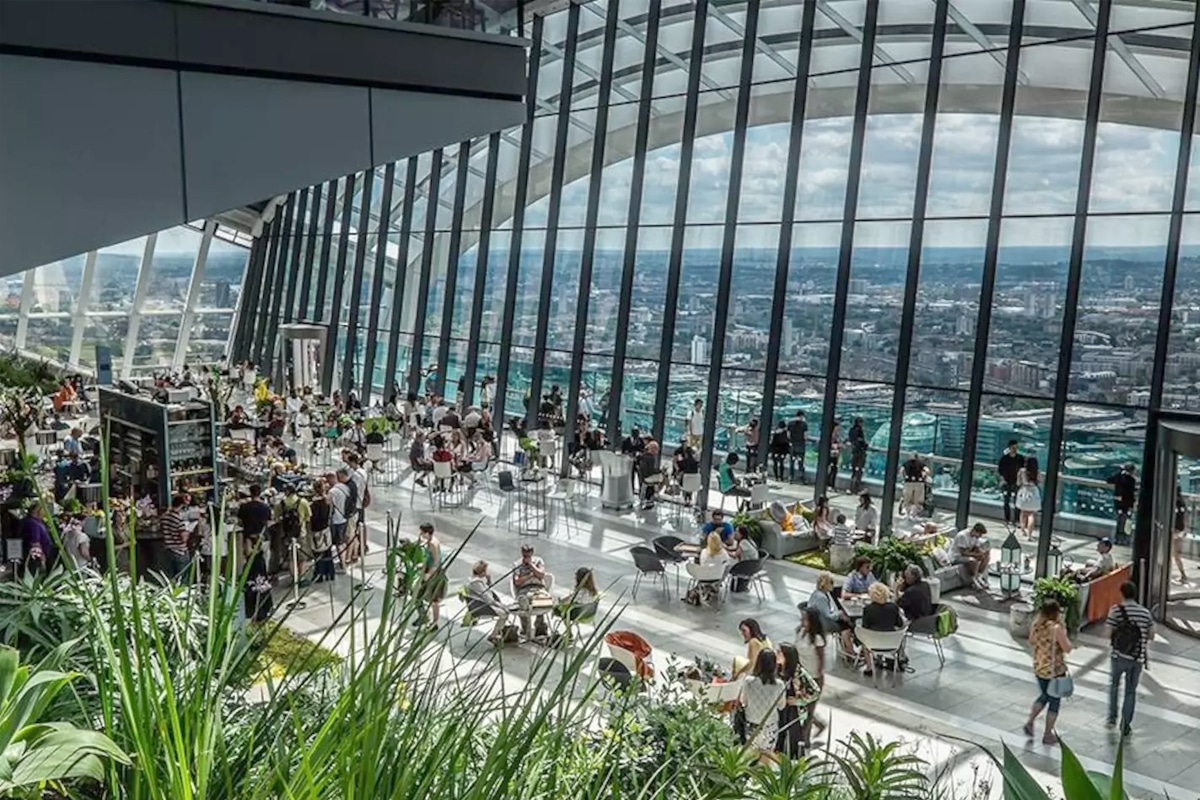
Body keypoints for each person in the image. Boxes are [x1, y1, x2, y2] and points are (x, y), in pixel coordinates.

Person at [1106, 581, 1154, 737]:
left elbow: (1108, 633)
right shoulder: (1145, 613)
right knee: (1130, 691)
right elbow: (1152, 635)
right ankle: (1126, 725)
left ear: (1121, 593)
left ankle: (1112, 718)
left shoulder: (1116, 610)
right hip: (1137, 658)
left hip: (1118, 655)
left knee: (1114, 685)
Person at [1025, 599, 1072, 745]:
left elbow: (1031, 642)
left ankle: (1030, 722)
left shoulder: (1036, 625)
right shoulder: (1056, 629)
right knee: (1054, 702)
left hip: (1040, 667)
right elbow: (1067, 648)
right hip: (1055, 670)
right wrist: (1064, 629)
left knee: (1044, 696)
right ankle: (1047, 734)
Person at [739, 649, 785, 761]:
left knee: (751, 756)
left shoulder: (749, 681)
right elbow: (781, 706)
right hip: (770, 726)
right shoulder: (779, 685)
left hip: (752, 724)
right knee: (766, 757)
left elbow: (743, 701)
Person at [792, 608, 827, 748]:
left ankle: (805, 739)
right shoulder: (800, 632)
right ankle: (819, 724)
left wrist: (817, 678)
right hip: (800, 676)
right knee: (801, 707)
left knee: (809, 709)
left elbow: (821, 659)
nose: (802, 621)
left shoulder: (817, 639)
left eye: (805, 619)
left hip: (813, 678)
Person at [860, 582, 906, 677]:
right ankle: (899, 660)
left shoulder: (868, 609)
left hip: (873, 644)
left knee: (865, 640)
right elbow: (900, 624)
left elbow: (865, 627)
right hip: (892, 643)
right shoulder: (893, 607)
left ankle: (869, 667)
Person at [808, 571, 855, 656]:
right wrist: (839, 614)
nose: (833, 585)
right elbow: (829, 615)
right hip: (824, 623)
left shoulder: (818, 593)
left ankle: (847, 647)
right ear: (825, 584)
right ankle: (850, 650)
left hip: (819, 620)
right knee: (846, 626)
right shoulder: (821, 598)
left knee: (844, 620)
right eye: (831, 583)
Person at [467, 561, 510, 645]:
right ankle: (493, 635)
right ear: (482, 571)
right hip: (483, 606)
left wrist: (489, 580)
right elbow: (488, 598)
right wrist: (501, 605)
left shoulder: (475, 580)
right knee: (504, 614)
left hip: (484, 604)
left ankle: (498, 632)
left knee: (504, 611)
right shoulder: (476, 583)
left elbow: (488, 590)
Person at [513, 544, 550, 641]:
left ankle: (540, 629)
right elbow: (517, 581)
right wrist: (530, 576)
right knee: (523, 603)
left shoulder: (538, 561)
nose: (526, 557)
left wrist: (531, 565)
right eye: (524, 555)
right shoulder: (517, 564)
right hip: (525, 589)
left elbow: (541, 574)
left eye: (528, 555)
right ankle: (525, 630)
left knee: (541, 601)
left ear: (532, 553)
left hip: (538, 587)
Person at [685, 532, 731, 607]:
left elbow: (702, 564)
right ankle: (713, 588)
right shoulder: (724, 553)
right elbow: (728, 563)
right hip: (717, 578)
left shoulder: (704, 552)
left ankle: (700, 592)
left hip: (703, 577)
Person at [417, 523, 445, 629]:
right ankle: (426, 616)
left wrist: (428, 574)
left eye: (422, 532)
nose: (421, 534)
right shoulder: (429, 541)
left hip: (434, 573)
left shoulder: (433, 544)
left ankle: (435, 622)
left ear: (428, 533)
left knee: (434, 600)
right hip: (429, 570)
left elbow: (436, 561)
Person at [951, 523, 991, 591]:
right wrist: (977, 555)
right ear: (975, 531)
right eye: (980, 534)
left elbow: (976, 547)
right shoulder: (962, 536)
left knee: (986, 557)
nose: (980, 536)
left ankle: (979, 576)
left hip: (967, 554)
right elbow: (963, 553)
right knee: (973, 560)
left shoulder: (975, 537)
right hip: (957, 556)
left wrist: (983, 553)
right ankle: (974, 580)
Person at [310, 478, 336, 583]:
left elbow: (313, 518)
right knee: (328, 552)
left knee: (318, 554)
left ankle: (319, 574)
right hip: (326, 529)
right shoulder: (328, 501)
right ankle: (330, 573)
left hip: (317, 531)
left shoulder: (314, 504)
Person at [161, 496, 193, 580]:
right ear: (181, 506)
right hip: (180, 551)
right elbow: (183, 538)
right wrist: (189, 531)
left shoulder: (164, 516)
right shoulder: (179, 519)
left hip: (168, 550)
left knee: (170, 579)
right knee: (182, 579)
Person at [1106, 463, 1137, 546]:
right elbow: (1131, 494)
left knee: (1120, 521)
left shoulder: (1118, 477)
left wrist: (1119, 472)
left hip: (1118, 502)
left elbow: (1109, 479)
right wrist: (1132, 505)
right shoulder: (1131, 480)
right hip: (1126, 504)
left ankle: (1117, 539)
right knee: (1125, 522)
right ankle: (1123, 540)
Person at [1016, 456, 1042, 540]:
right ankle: (1030, 535)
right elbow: (1039, 482)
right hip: (1033, 492)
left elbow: (1018, 483)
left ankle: (1023, 530)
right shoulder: (1037, 472)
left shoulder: (1022, 471)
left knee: (1023, 512)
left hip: (1024, 491)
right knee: (1031, 515)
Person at [998, 440, 1022, 527]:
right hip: (1006, 482)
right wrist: (1003, 480)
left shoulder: (1020, 458)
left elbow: (1023, 470)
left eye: (1016, 448)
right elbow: (1000, 471)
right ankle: (1007, 519)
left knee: (1017, 502)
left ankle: (1016, 520)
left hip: (1017, 483)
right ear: (1009, 448)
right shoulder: (1004, 459)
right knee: (1006, 501)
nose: (1015, 449)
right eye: (1013, 448)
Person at [901, 453, 928, 518]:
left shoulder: (907, 463)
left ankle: (906, 513)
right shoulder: (920, 463)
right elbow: (927, 470)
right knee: (917, 500)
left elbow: (902, 470)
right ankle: (914, 514)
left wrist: (904, 477)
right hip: (919, 482)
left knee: (907, 499)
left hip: (908, 482)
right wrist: (924, 477)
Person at [848, 417, 868, 494]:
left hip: (854, 452)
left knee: (853, 471)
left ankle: (851, 487)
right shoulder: (859, 430)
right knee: (859, 471)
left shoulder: (851, 430)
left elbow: (851, 440)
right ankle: (856, 488)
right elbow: (861, 442)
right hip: (860, 452)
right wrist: (865, 445)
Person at [788, 411, 808, 482]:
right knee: (801, 462)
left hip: (793, 445)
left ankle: (791, 477)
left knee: (792, 462)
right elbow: (805, 436)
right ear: (802, 416)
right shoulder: (804, 424)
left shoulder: (790, 424)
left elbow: (788, 435)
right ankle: (802, 477)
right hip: (801, 446)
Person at [1174, 489, 1189, 584]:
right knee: (1176, 554)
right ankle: (1183, 575)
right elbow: (1185, 516)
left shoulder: (1174, 502)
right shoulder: (1182, 502)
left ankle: (1183, 575)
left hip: (1174, 530)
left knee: (1175, 554)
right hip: (1180, 529)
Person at [825, 421, 842, 493]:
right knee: (830, 469)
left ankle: (831, 484)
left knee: (834, 470)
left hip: (835, 455)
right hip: (831, 455)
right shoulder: (831, 437)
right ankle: (828, 484)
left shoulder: (837, 437)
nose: (838, 430)